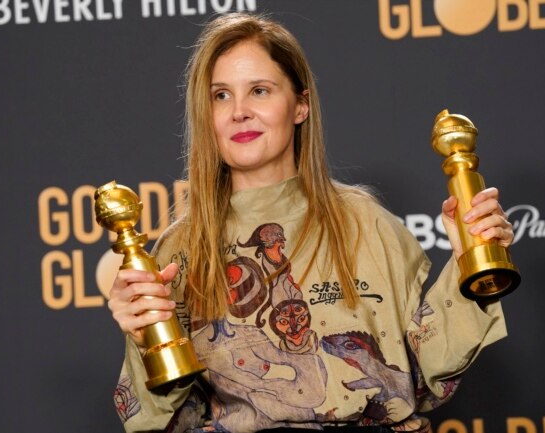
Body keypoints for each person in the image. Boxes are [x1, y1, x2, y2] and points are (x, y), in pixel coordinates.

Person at [107, 12, 513, 433]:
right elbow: (165, 422)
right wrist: (143, 344)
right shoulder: (178, 251)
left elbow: (423, 382)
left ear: (300, 105)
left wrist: (470, 265)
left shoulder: (365, 223)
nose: (239, 112)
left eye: (259, 91)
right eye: (220, 96)